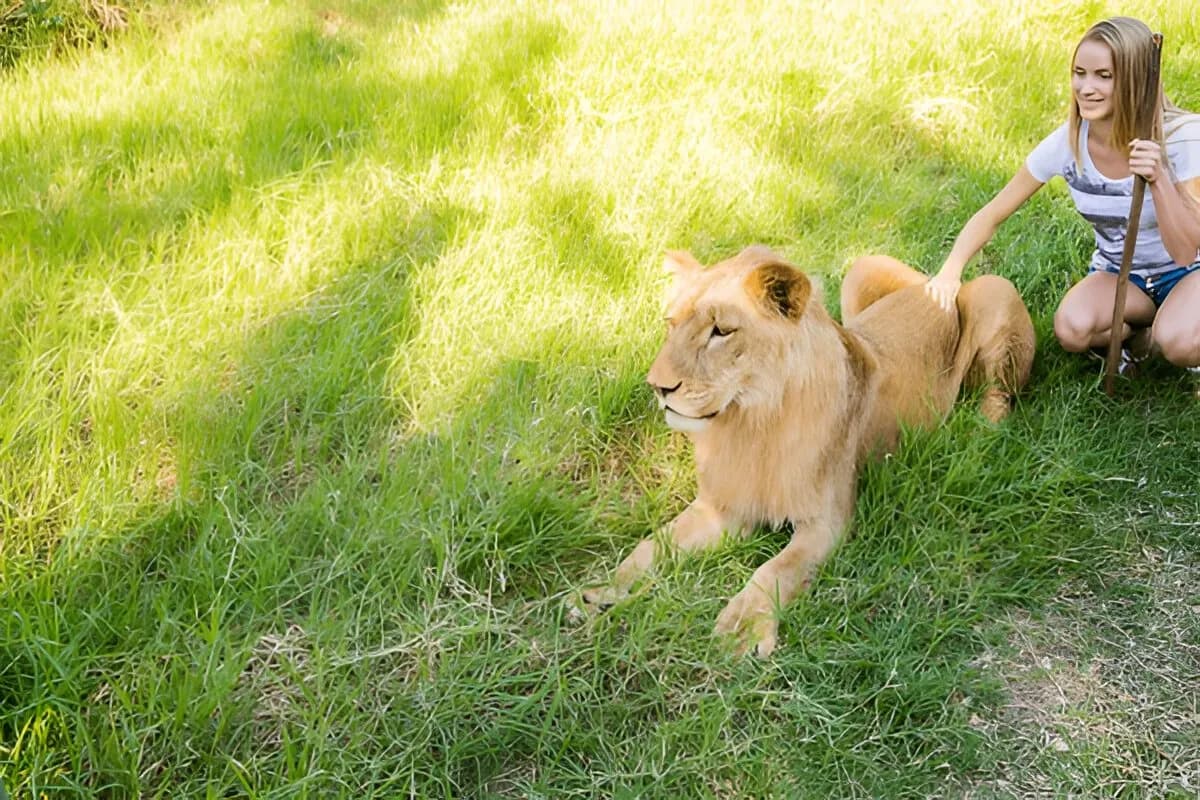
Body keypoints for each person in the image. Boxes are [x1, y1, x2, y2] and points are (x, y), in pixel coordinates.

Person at [925, 16, 1200, 373]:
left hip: (1188, 272)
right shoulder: (1067, 144)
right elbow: (993, 212)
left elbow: (1185, 250)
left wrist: (1159, 178)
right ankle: (1143, 337)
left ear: (1136, 80)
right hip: (1122, 275)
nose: (1085, 87)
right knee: (1073, 328)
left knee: (1178, 341)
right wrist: (950, 270)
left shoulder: (1183, 138)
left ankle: (1175, 329)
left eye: (1104, 76)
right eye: (1079, 73)